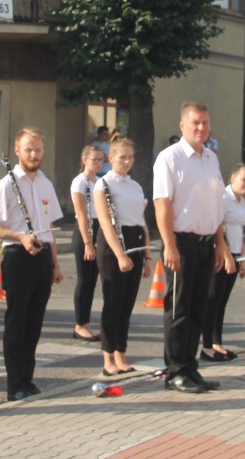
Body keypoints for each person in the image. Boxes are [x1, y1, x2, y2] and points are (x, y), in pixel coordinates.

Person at [153, 101, 233, 394]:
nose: (201, 128)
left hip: (206, 242)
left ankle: (191, 367)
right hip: (181, 242)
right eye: (195, 123)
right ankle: (175, 371)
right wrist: (169, 246)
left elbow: (216, 205)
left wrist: (220, 245)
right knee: (179, 309)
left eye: (205, 123)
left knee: (199, 308)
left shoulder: (210, 158)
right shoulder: (169, 158)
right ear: (183, 126)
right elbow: (162, 204)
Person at [0, 127, 64, 401]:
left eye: (38, 150)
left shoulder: (45, 183)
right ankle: (15, 383)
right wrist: (19, 236)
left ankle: (28, 379)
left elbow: (49, 227)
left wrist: (54, 264)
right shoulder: (6, 184)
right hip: (17, 255)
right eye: (29, 149)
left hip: (41, 255)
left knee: (35, 321)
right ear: (18, 150)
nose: (34, 154)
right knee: (17, 321)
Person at [93, 137, 151, 376]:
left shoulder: (135, 186)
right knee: (113, 302)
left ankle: (121, 354)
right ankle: (108, 358)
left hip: (135, 241)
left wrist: (147, 255)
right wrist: (120, 255)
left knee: (127, 304)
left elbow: (141, 221)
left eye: (130, 157)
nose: (127, 162)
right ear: (111, 158)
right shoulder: (103, 185)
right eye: (122, 157)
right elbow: (105, 223)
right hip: (113, 245)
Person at [201, 164, 245, 363]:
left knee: (221, 301)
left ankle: (217, 343)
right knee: (212, 299)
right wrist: (225, 256)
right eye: (244, 180)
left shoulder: (242, 201)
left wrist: (242, 259)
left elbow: (239, 232)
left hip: (234, 254)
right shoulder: (223, 198)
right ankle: (206, 346)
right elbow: (218, 229)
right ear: (232, 178)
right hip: (220, 254)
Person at [69, 144, 104, 342]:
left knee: (92, 280)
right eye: (94, 160)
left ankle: (87, 323)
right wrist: (87, 243)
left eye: (101, 159)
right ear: (84, 161)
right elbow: (81, 213)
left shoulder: (99, 181)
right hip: (85, 229)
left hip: (98, 228)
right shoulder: (80, 182)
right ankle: (80, 324)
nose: (98, 163)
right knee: (84, 279)